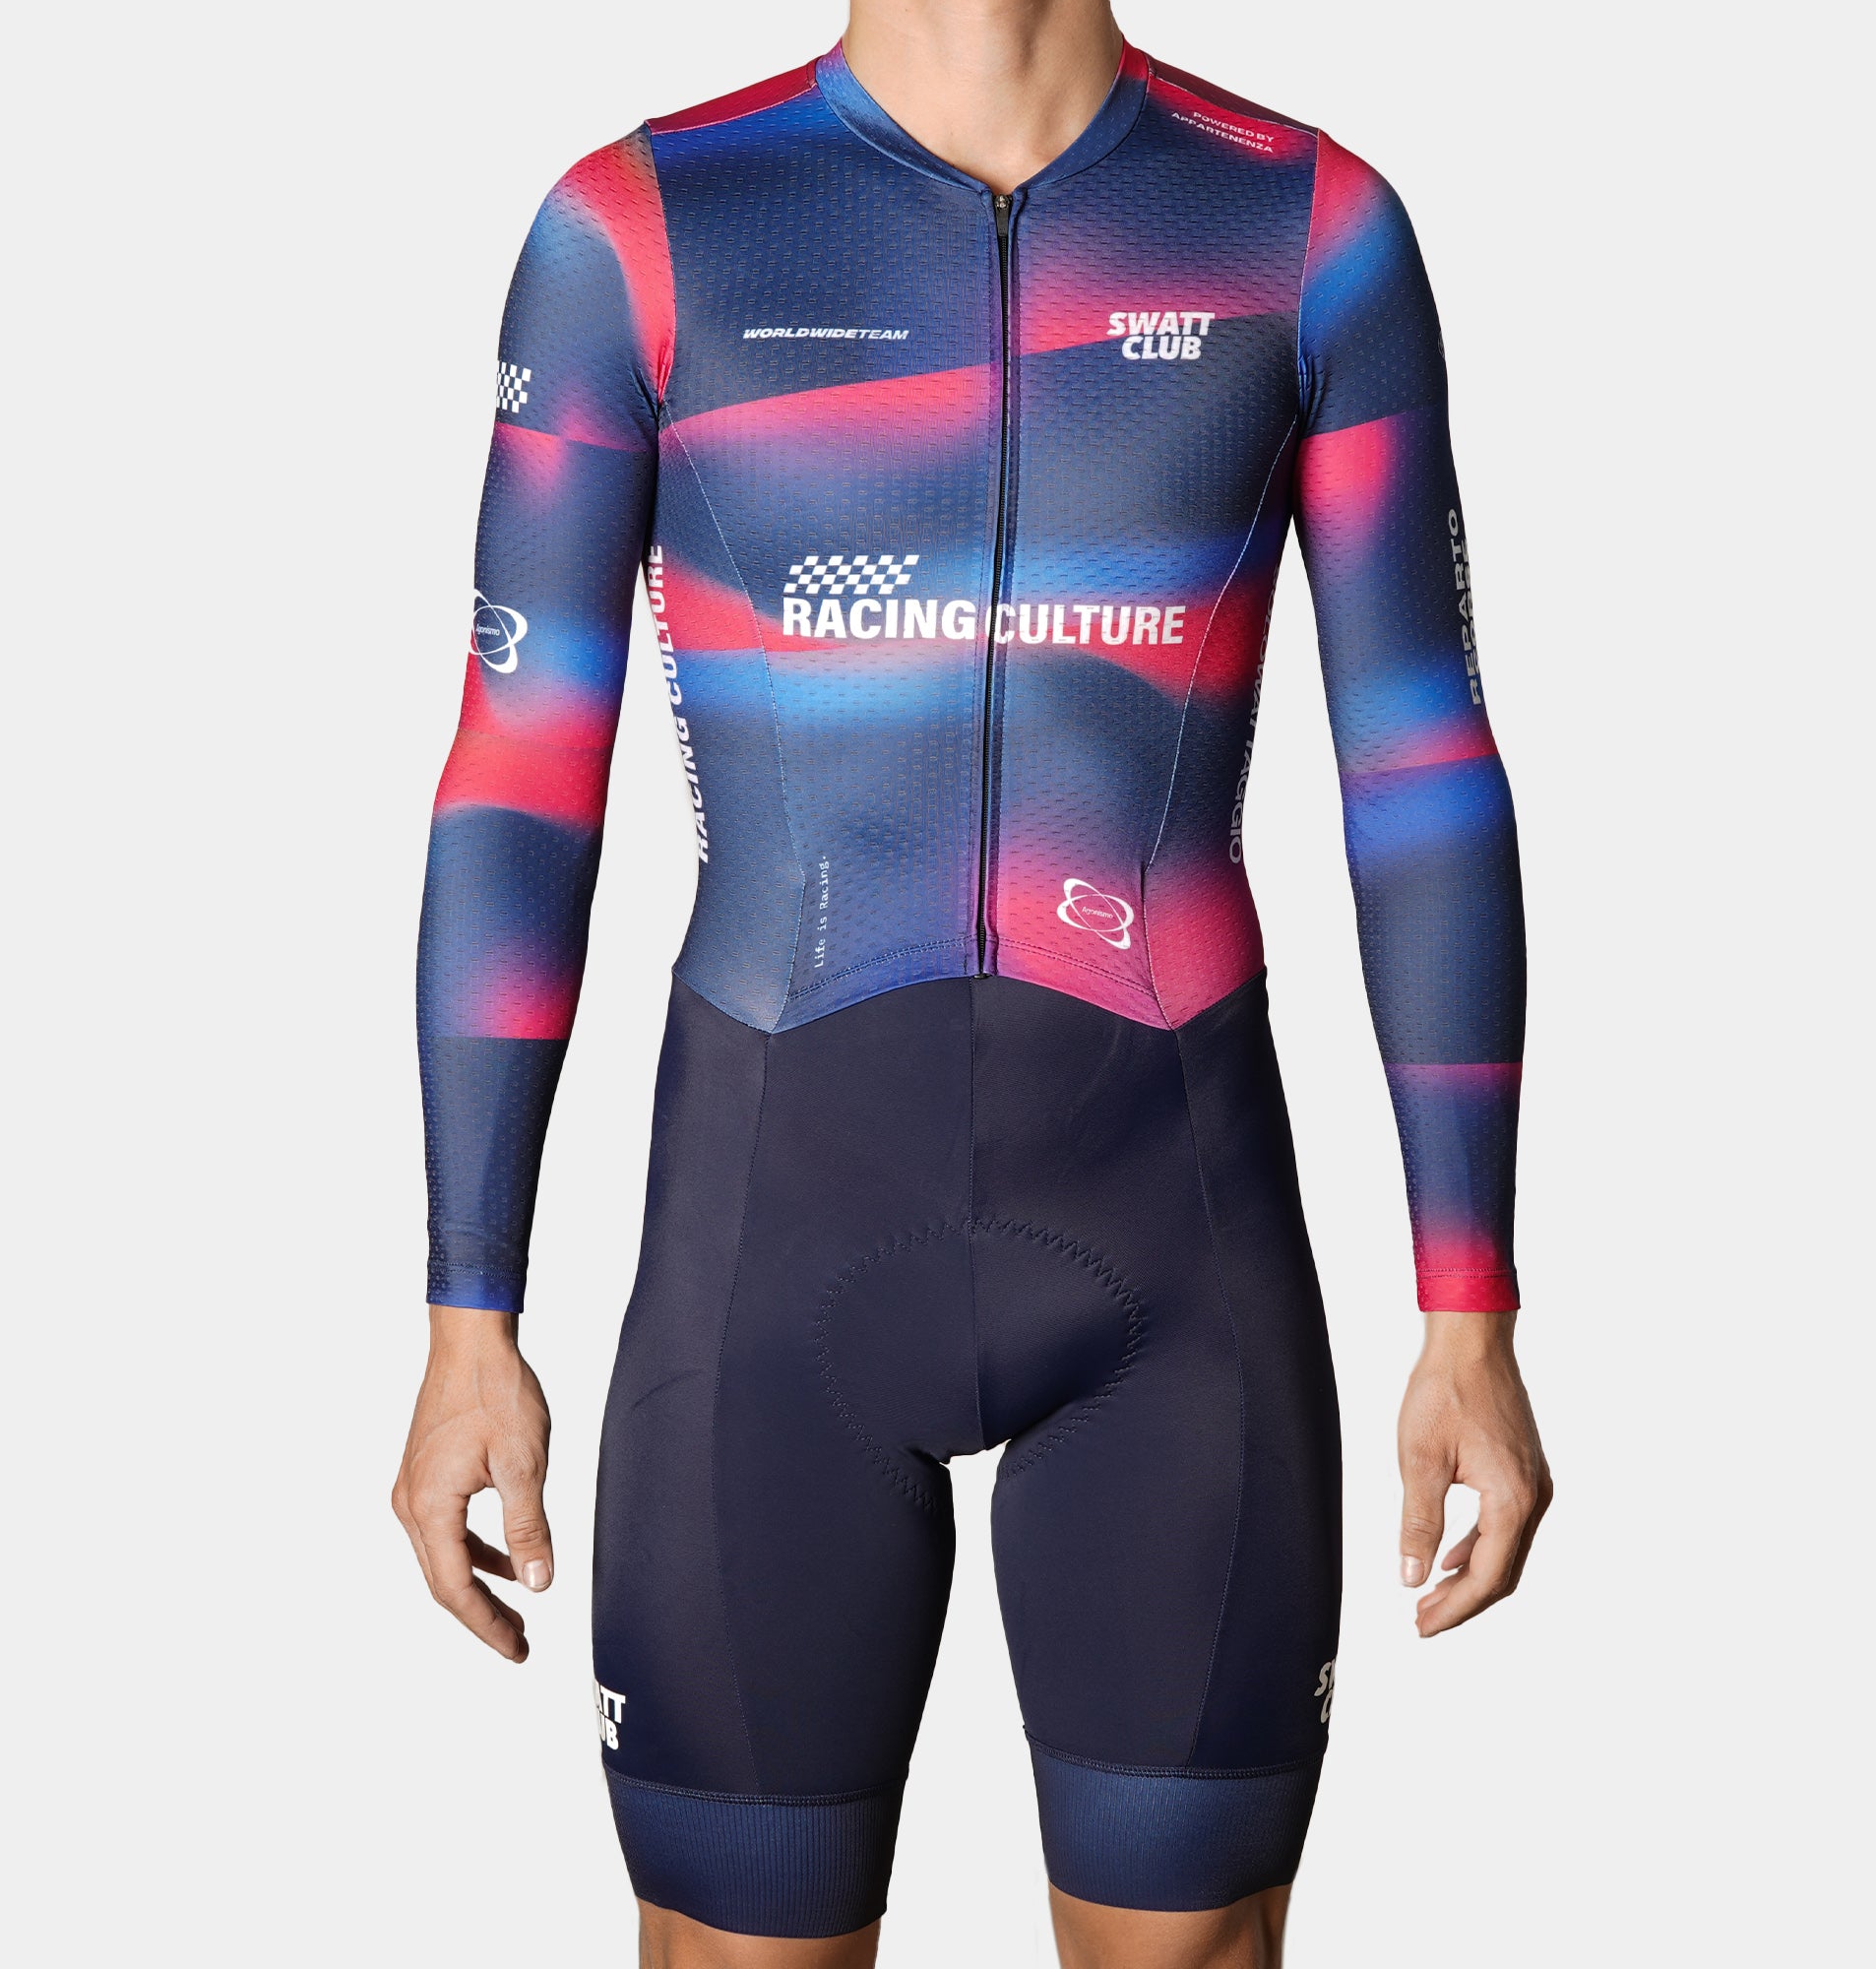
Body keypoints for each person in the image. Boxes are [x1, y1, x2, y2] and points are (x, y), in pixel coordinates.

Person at [393, 1, 1552, 1962]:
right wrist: (464, 1314)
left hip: (1176, 1258)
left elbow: (1422, 772)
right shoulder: (646, 227)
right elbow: (520, 775)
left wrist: (1471, 1309)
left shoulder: (1306, 228)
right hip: (769, 1262)